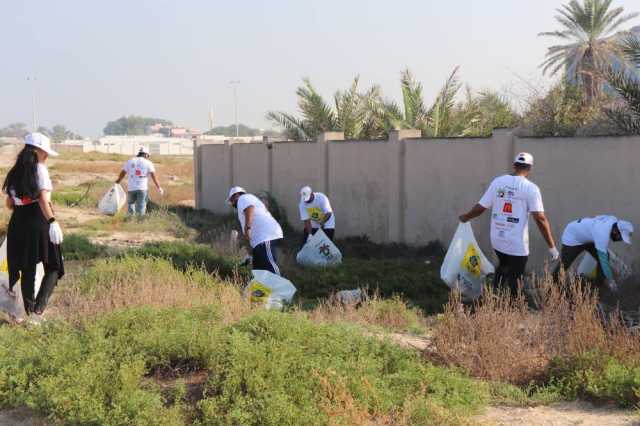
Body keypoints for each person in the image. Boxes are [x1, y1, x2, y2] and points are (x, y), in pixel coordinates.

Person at [458, 152, 559, 295]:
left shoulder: (498, 182)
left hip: (497, 238)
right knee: (516, 276)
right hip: (517, 242)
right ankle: (513, 306)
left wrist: (466, 217)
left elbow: (481, 207)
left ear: (514, 166)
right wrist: (552, 247)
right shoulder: (531, 188)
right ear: (530, 168)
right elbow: (540, 218)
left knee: (503, 265)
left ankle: (495, 295)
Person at [2, 133, 65, 324]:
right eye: (45, 152)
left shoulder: (14, 172)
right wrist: (52, 221)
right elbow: (44, 200)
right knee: (54, 265)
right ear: (37, 151)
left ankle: (29, 312)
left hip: (18, 222)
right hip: (38, 220)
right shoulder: (40, 169)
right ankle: (39, 308)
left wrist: (24, 200)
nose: (46, 156)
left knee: (27, 268)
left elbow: (9, 203)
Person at [554, 215, 633, 292]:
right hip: (572, 237)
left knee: (605, 257)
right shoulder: (602, 235)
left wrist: (590, 230)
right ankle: (550, 287)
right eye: (620, 238)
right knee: (564, 265)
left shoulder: (613, 219)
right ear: (616, 231)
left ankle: (595, 288)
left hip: (588, 237)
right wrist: (611, 280)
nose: (620, 240)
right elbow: (603, 262)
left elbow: (597, 217)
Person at [227, 186, 284, 275]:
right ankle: (262, 288)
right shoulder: (246, 200)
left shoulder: (243, 198)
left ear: (236, 195)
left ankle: (278, 285)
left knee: (269, 265)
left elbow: (250, 208)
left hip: (266, 236)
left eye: (231, 200)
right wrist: (250, 253)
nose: (232, 204)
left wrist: (248, 228)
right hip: (260, 239)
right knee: (258, 270)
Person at [115, 146, 163, 216]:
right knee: (141, 206)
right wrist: (159, 187)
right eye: (148, 155)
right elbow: (153, 177)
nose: (148, 157)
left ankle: (130, 220)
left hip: (131, 188)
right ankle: (139, 220)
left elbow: (123, 173)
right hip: (142, 188)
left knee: (130, 205)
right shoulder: (148, 163)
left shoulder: (130, 161)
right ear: (145, 154)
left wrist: (117, 182)